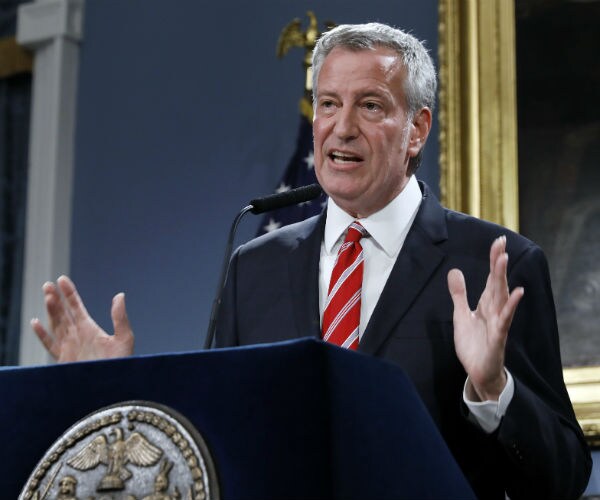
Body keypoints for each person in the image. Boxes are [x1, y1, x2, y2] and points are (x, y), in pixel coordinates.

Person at [32, 23, 591, 499]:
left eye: (370, 105)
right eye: (328, 103)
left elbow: (564, 475)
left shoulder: (496, 265)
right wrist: (111, 391)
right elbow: (209, 437)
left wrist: (493, 389)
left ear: (417, 129)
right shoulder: (257, 266)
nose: (341, 127)